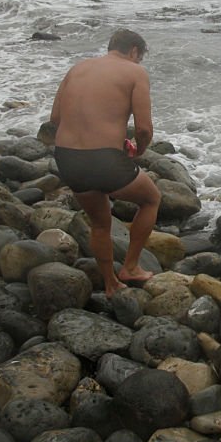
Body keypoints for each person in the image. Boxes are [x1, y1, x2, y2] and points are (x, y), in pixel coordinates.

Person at [49, 29, 162, 297]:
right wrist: (137, 150)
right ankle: (131, 267)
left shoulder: (77, 69)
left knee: (100, 224)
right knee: (151, 199)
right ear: (134, 51)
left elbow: (55, 118)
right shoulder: (135, 72)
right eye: (139, 57)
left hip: (67, 157)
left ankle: (110, 283)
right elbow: (144, 129)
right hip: (103, 160)